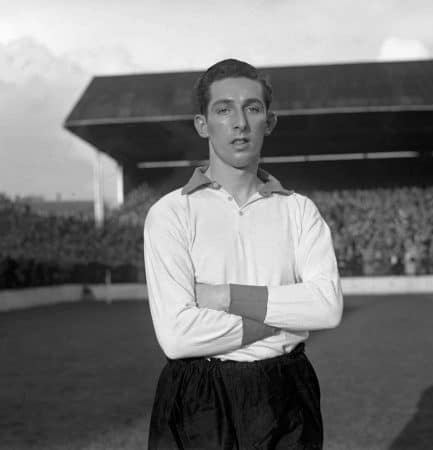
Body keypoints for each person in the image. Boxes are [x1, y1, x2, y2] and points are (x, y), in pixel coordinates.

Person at [143, 58, 343, 449]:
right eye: (224, 109)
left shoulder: (299, 210)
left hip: (286, 391)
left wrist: (225, 297)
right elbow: (178, 336)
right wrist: (284, 319)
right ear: (203, 124)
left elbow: (327, 307)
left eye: (252, 108)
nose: (240, 122)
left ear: (269, 121)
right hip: (199, 396)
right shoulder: (170, 213)